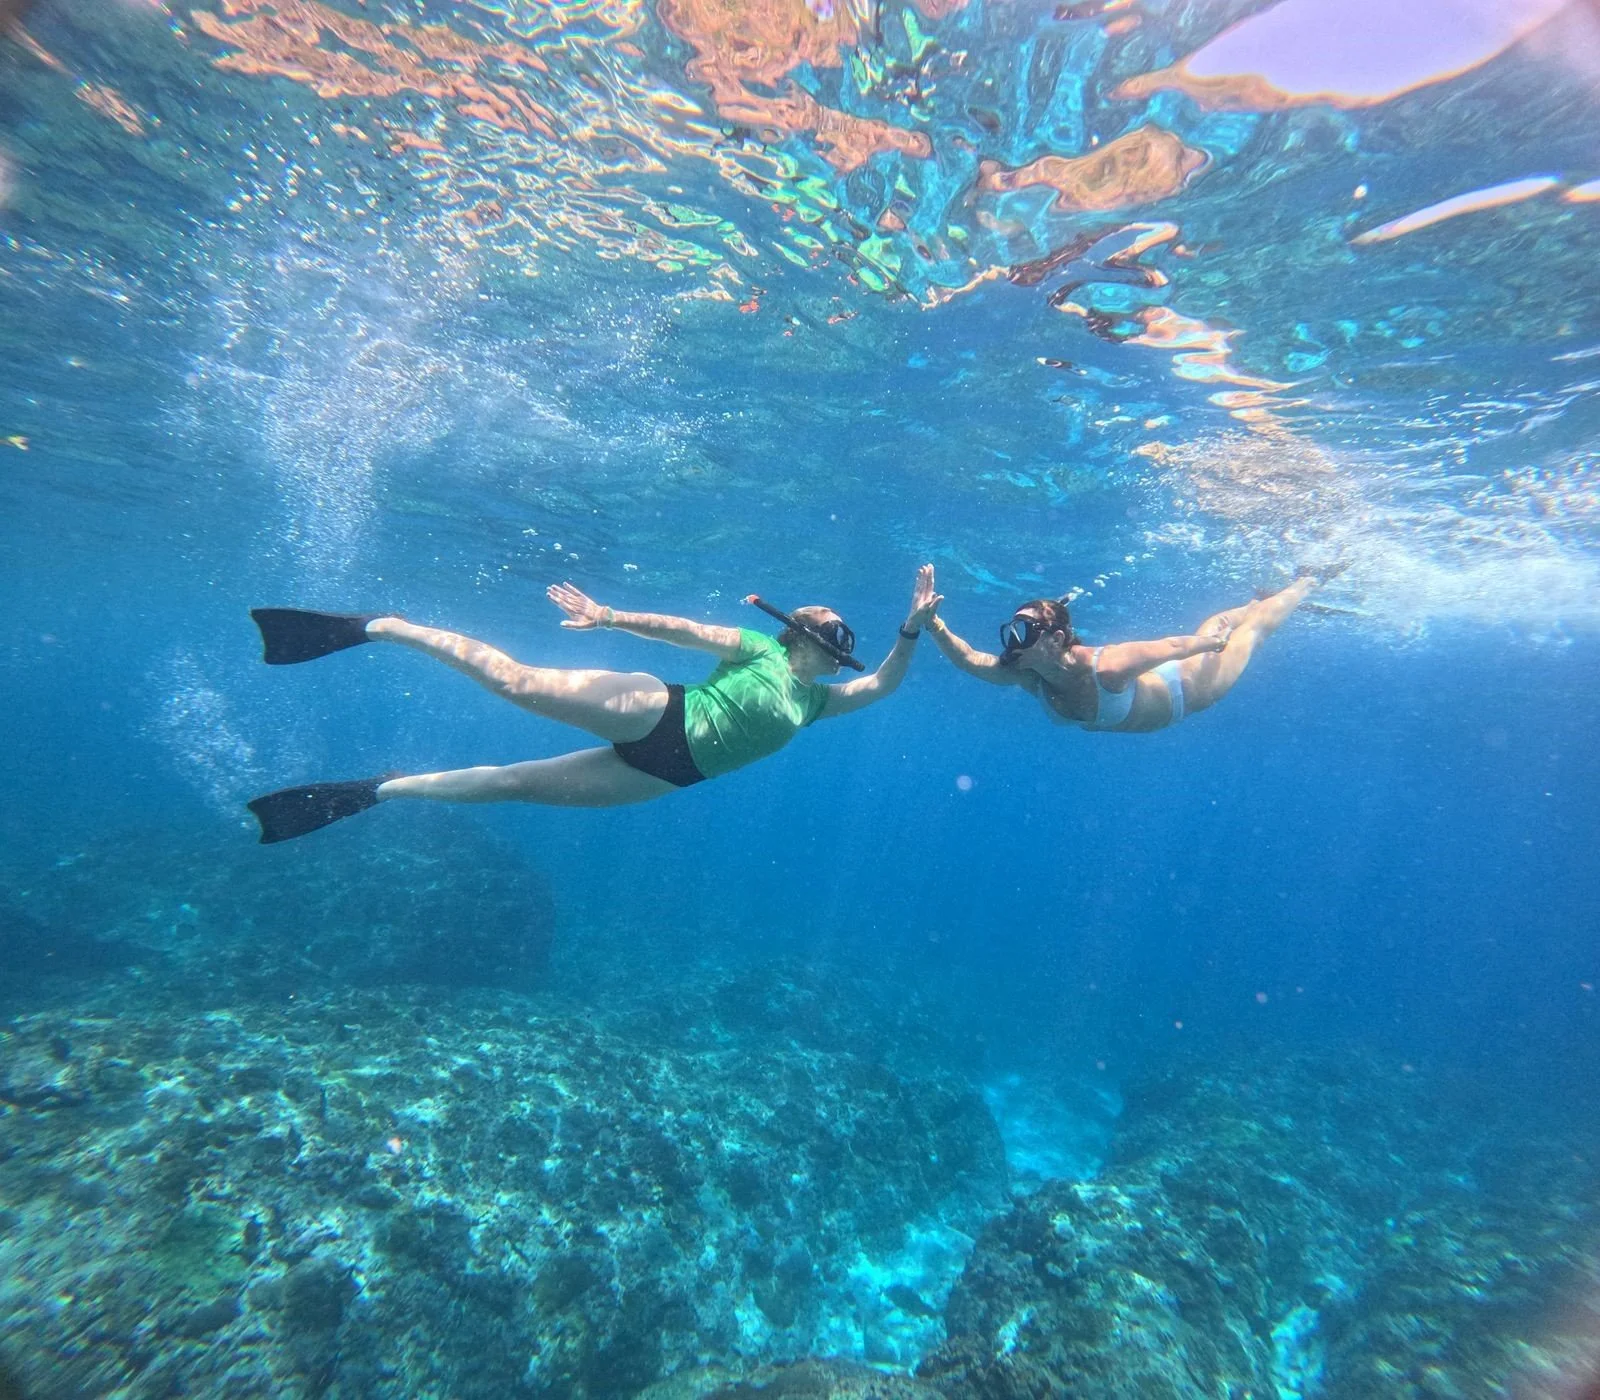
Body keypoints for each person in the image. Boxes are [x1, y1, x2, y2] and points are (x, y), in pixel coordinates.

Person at [245, 566, 939, 842]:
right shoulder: (759, 648)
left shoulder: (816, 704)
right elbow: (686, 631)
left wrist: (912, 627)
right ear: (802, 635)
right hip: (656, 711)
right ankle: (384, 626)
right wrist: (609, 615)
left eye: (846, 644)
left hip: (664, 775)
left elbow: (881, 685)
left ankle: (375, 791)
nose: (843, 649)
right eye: (835, 636)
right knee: (513, 682)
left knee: (513, 785)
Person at [923, 566, 1332, 732]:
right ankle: (1254, 602)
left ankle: (1305, 583)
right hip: (1169, 682)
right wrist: (932, 622)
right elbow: (969, 659)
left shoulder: (1107, 668)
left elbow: (1171, 646)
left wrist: (1212, 645)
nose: (1013, 642)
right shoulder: (1031, 675)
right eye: (1012, 629)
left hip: (1188, 689)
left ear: (1058, 639)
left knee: (1247, 632)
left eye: (1025, 630)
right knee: (1221, 620)